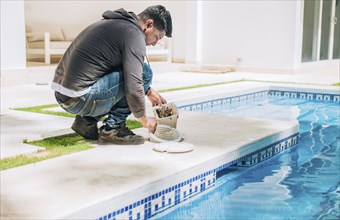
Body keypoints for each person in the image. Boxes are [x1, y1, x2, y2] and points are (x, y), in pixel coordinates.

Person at [51, 5, 172, 145]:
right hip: (79, 98)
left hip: (65, 96)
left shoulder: (117, 24)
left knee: (135, 73)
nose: (155, 43)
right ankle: (113, 129)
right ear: (149, 24)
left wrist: (149, 91)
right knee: (145, 72)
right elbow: (134, 84)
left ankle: (86, 122)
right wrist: (144, 119)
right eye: (157, 37)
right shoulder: (134, 33)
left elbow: (115, 67)